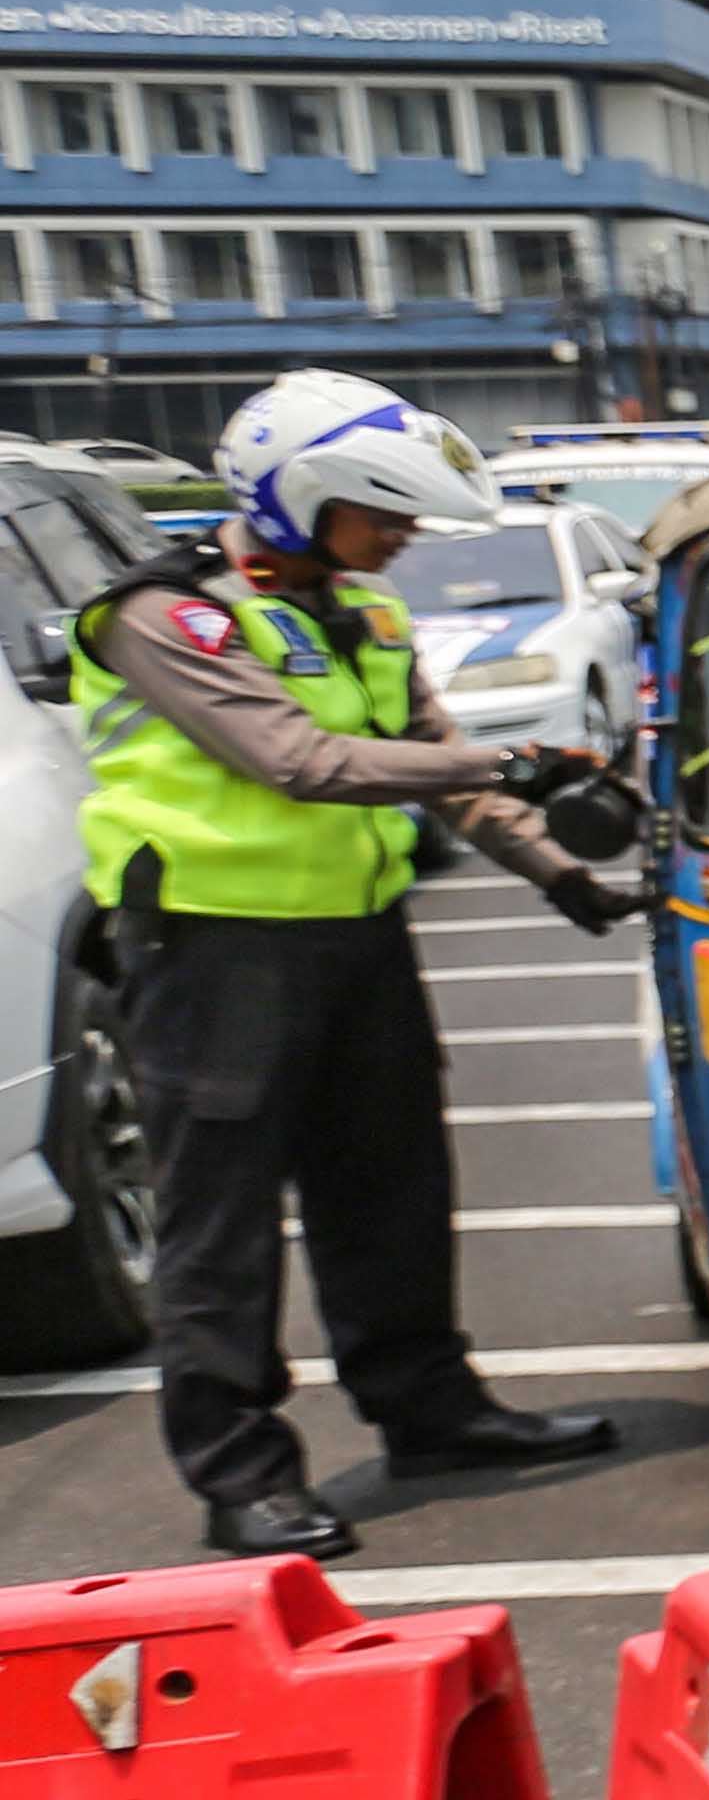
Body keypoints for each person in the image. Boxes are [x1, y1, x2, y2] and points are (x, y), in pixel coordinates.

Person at [72, 368, 637, 1561]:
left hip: (357, 939)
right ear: (299, 501)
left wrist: (565, 878)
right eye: (382, 513)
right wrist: (510, 763)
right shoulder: (167, 617)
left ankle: (431, 1410)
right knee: (218, 1226)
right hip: (213, 953)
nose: (404, 535)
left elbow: (435, 756)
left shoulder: (367, 614)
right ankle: (241, 1477)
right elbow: (300, 761)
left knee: (391, 1189)